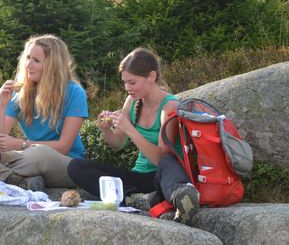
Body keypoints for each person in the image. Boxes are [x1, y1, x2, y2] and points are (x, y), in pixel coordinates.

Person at [67, 47, 200, 224]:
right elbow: (117, 145)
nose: (127, 88)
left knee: (168, 162)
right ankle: (134, 199)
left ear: (151, 77)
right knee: (76, 167)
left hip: (164, 176)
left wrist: (130, 129)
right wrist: (106, 129)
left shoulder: (169, 106)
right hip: (139, 180)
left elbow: (161, 158)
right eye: (125, 83)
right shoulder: (132, 100)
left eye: (132, 82)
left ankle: (182, 197)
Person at [0, 34, 88, 191]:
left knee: (40, 155)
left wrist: (20, 144)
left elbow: (64, 147)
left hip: (67, 164)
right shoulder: (20, 93)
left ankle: (5, 175)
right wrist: (2, 105)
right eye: (28, 58)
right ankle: (18, 180)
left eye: (36, 60)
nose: (28, 65)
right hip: (30, 157)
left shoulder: (75, 93)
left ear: (52, 65)